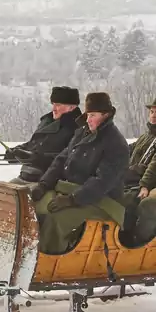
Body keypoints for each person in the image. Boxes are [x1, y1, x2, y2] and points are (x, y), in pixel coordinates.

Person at [30, 92, 129, 254]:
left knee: (56, 219)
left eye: (93, 115)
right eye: (88, 114)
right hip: (71, 191)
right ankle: (30, 252)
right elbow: (61, 160)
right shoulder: (82, 133)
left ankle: (50, 262)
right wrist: (43, 185)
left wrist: (72, 200)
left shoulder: (116, 144)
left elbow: (102, 182)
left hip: (104, 202)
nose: (88, 119)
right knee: (36, 206)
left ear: (106, 115)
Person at [4, 86, 82, 185]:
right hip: (26, 176)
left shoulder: (77, 128)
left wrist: (35, 158)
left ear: (71, 107)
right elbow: (34, 144)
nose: (54, 108)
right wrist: (16, 152)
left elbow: (69, 159)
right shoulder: (47, 121)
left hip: (48, 182)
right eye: (53, 104)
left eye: (58, 105)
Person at [121, 98, 156, 246]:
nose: (153, 115)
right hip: (131, 179)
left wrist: (144, 185)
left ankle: (131, 243)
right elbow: (126, 151)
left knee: (128, 202)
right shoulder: (145, 136)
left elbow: (154, 165)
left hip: (145, 182)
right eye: (152, 112)